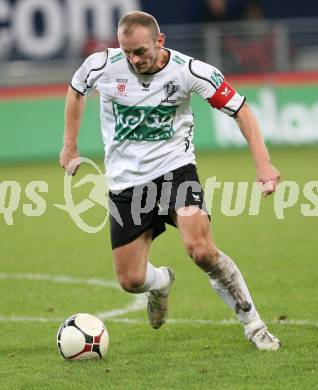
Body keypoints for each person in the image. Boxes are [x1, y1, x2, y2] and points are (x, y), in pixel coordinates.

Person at [59, 11, 281, 350]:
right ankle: (161, 281)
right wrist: (70, 144)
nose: (133, 60)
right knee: (131, 280)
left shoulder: (190, 71)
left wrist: (263, 164)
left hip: (175, 171)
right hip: (126, 183)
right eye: (126, 51)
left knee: (202, 250)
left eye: (140, 52)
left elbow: (241, 110)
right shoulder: (101, 66)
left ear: (159, 42)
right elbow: (76, 90)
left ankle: (254, 325)